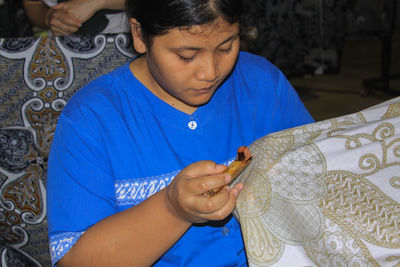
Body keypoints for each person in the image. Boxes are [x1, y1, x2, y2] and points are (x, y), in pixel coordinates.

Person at [46, 0, 314, 266]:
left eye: (227, 46)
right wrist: (172, 210)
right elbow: (75, 261)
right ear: (139, 35)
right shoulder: (92, 119)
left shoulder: (263, 83)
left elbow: (317, 175)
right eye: (187, 56)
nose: (210, 72)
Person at [22, 0, 128, 36]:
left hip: (126, 40)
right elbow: (32, 4)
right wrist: (48, 17)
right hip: (65, 47)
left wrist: (98, 2)